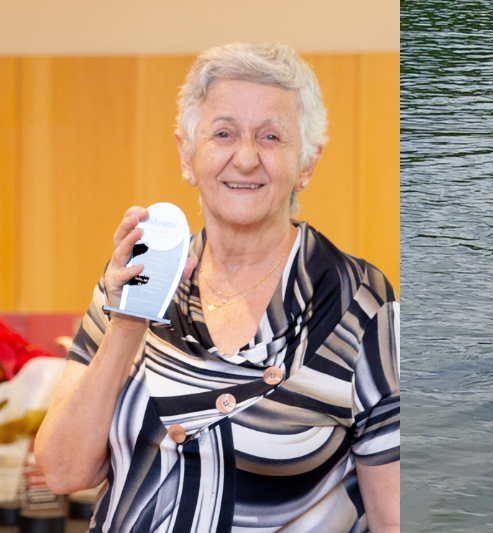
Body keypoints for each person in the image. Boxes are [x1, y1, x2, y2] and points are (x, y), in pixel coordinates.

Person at [34, 43, 399, 532]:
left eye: (270, 137)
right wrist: (127, 323)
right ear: (187, 154)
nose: (245, 158)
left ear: (307, 163)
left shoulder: (359, 304)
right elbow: (64, 471)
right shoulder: (139, 274)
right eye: (223, 133)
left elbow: (392, 518)